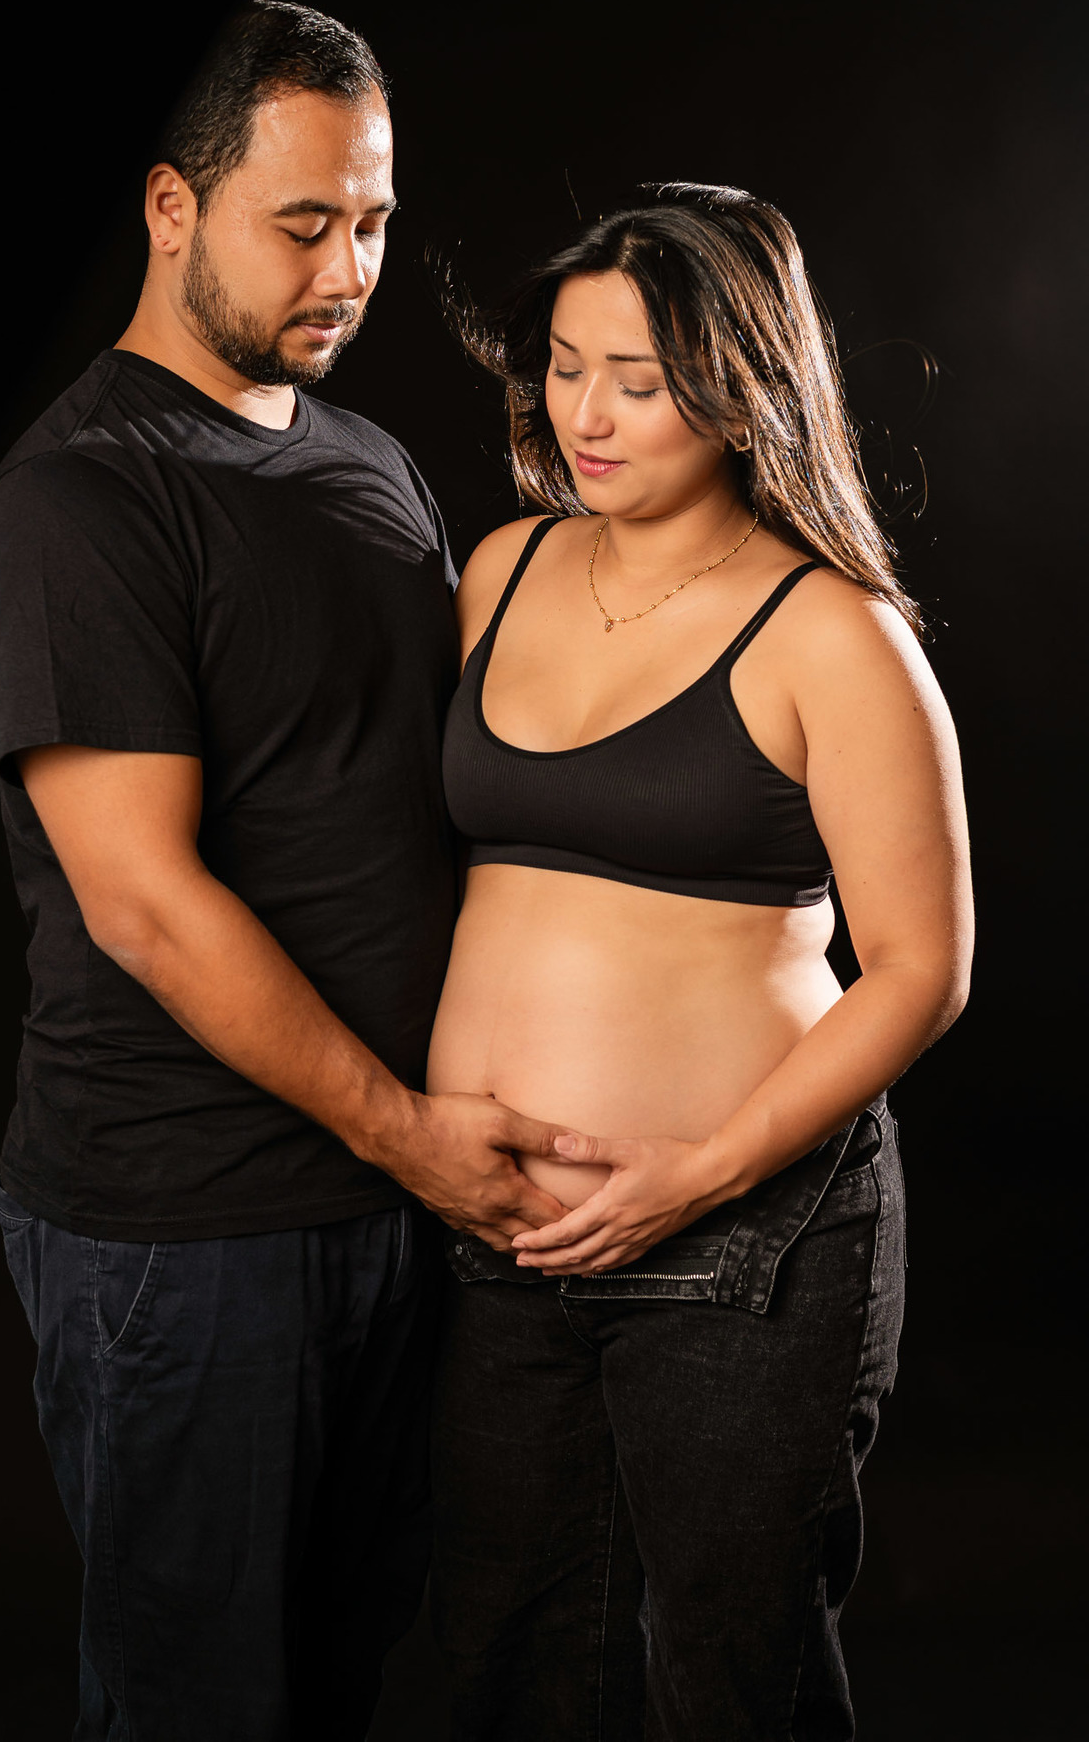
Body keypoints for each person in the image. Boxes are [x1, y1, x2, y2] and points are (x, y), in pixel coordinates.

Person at [0, 0, 572, 1742]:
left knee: (354, 1679)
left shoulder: (369, 469)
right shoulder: (81, 503)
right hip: (189, 1227)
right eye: (303, 221)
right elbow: (142, 902)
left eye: (372, 220)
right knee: (201, 1703)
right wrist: (412, 1137)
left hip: (391, 1204)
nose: (350, 265)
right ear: (171, 207)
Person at [427, 184, 974, 1740]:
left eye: (642, 384)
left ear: (741, 392)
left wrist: (698, 1171)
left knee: (731, 1677)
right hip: (499, 1240)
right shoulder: (501, 572)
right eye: (566, 365)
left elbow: (924, 969)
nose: (586, 416)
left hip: (744, 1242)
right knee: (506, 1657)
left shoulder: (835, 634)